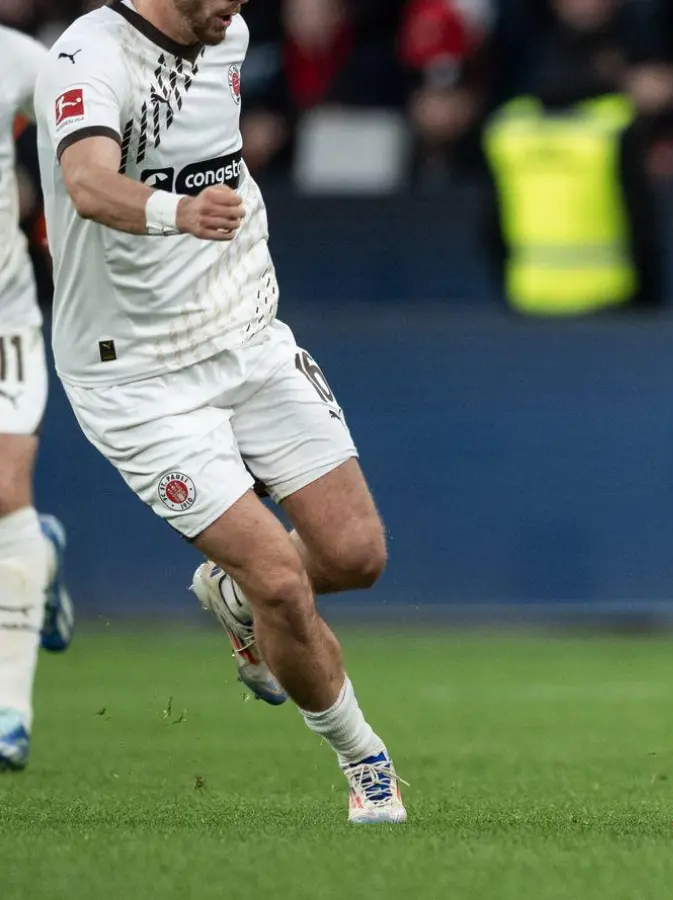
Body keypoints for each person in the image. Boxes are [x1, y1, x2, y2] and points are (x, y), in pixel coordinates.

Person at [34, 0, 404, 821]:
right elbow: (87, 183)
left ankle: (230, 599)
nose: (237, 7)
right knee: (279, 576)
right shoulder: (91, 56)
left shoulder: (226, 34)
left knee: (355, 555)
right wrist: (178, 213)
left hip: (245, 335)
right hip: (135, 377)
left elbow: (206, 154)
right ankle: (366, 766)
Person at [0, 24, 74, 772]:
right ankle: (36, 555)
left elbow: (86, 126)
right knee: (13, 522)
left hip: (4, 318)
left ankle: (9, 711)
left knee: (2, 491)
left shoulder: (18, 59)